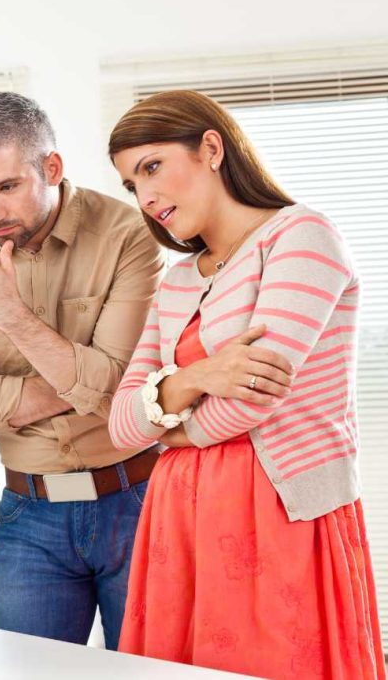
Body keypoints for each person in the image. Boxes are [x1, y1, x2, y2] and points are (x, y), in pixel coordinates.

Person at [108, 89, 384, 678]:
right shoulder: (179, 281)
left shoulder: (301, 237)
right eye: (132, 184)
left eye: (152, 166)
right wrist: (198, 376)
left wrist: (174, 430)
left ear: (212, 147)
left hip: (279, 508)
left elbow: (258, 393)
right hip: (179, 520)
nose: (146, 195)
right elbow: (121, 422)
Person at [0, 91, 165, 649]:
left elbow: (118, 391)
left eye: (7, 187)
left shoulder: (128, 236)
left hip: (137, 501)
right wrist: (84, 379)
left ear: (51, 168)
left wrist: (7, 313)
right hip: (28, 516)